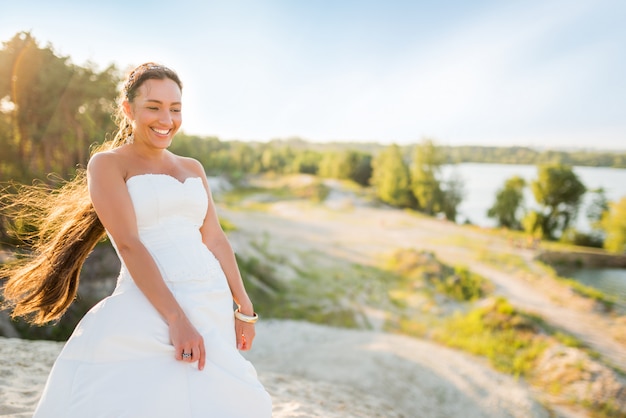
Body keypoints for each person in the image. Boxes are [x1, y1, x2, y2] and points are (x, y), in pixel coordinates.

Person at [1, 62, 272, 417]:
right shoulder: (108, 165)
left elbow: (215, 238)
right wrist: (176, 319)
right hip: (152, 304)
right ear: (128, 109)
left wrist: (244, 307)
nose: (166, 119)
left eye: (175, 109)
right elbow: (129, 243)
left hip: (211, 300)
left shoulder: (193, 167)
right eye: (153, 107)